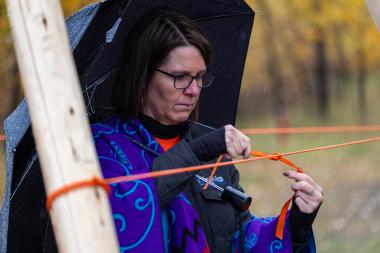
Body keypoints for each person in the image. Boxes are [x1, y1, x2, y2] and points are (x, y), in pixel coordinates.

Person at [91, 8, 323, 253]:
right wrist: (198, 150)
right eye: (180, 77)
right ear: (143, 74)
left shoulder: (213, 150)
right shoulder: (103, 144)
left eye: (199, 76)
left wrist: (296, 224)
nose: (193, 90)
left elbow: (239, 238)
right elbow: (124, 213)